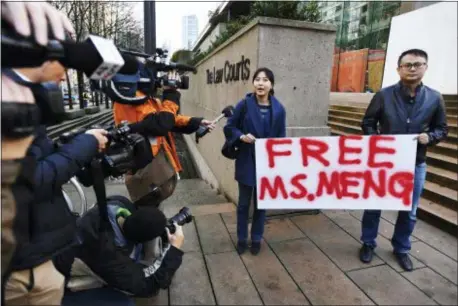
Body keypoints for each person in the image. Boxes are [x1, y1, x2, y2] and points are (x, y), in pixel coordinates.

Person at [3, 62, 109, 305]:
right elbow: (29, 179)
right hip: (23, 265)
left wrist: (68, 146)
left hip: (36, 251)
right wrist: (85, 145)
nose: (63, 77)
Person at [359, 49, 448, 271]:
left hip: (416, 163)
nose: (412, 68)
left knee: (409, 209)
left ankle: (401, 248)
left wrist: (431, 137)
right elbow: (368, 122)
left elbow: (442, 128)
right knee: (374, 205)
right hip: (384, 163)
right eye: (407, 65)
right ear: (398, 69)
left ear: (425, 67)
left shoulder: (435, 98)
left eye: (417, 64)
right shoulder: (383, 95)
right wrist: (377, 141)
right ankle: (368, 243)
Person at [67, 196, 185, 298]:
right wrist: (174, 249)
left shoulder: (119, 203)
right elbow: (149, 286)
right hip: (70, 264)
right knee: (124, 288)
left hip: (78, 233)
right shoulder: (112, 258)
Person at [223, 67, 286, 255]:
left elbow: (281, 137)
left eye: (265, 80)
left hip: (267, 162)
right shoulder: (244, 105)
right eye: (257, 79)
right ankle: (242, 238)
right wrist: (241, 136)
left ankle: (257, 238)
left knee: (261, 204)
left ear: (271, 85)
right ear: (253, 83)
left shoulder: (280, 109)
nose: (260, 83)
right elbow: (229, 127)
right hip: (246, 159)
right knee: (243, 204)